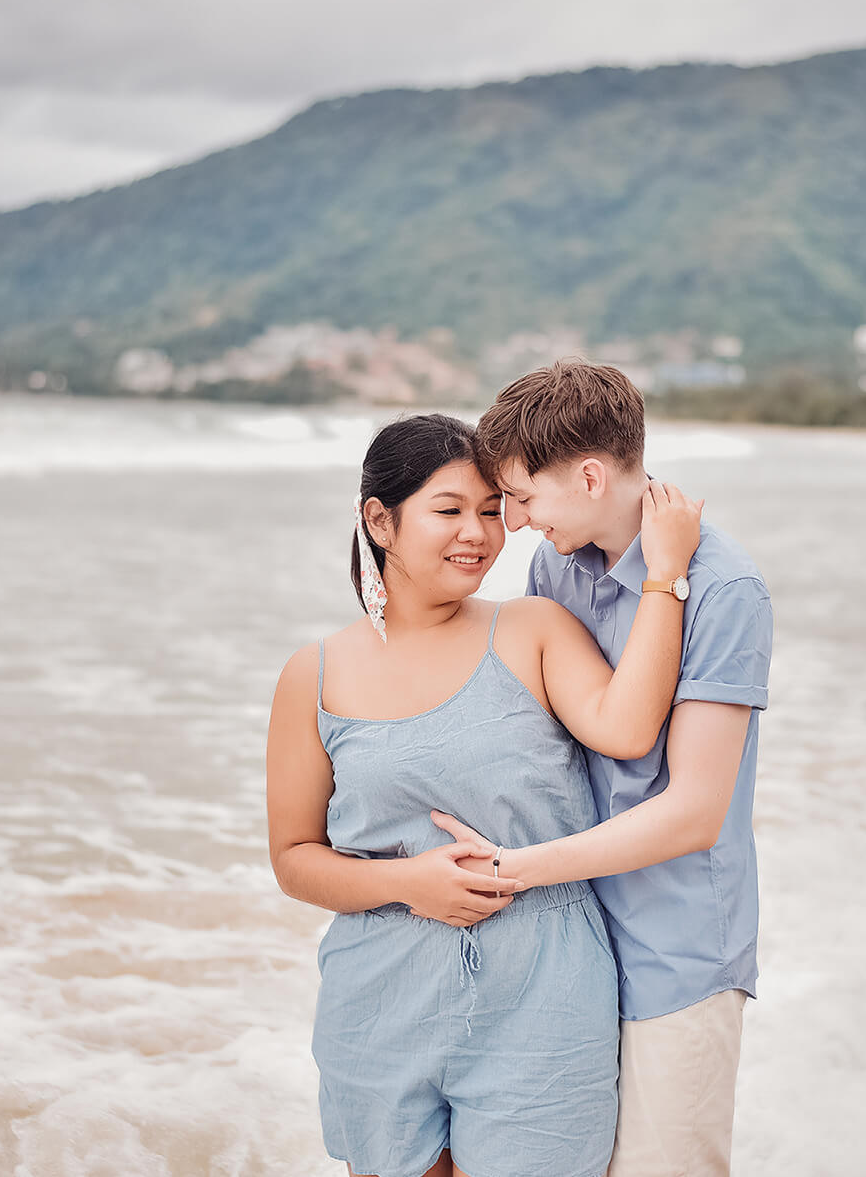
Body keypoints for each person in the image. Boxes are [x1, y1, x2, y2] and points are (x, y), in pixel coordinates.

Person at [264, 412, 705, 1177]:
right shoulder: (315, 672)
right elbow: (295, 859)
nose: (479, 533)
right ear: (380, 519)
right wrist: (409, 882)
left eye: (493, 511)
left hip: (544, 988)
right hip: (380, 994)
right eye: (449, 510)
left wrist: (666, 575)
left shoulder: (533, 628)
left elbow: (631, 729)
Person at [436, 358, 774, 1177]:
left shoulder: (728, 591)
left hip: (676, 951)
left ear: (589, 476)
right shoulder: (559, 565)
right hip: (572, 944)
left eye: (521, 496)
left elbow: (694, 811)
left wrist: (516, 869)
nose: (510, 523)